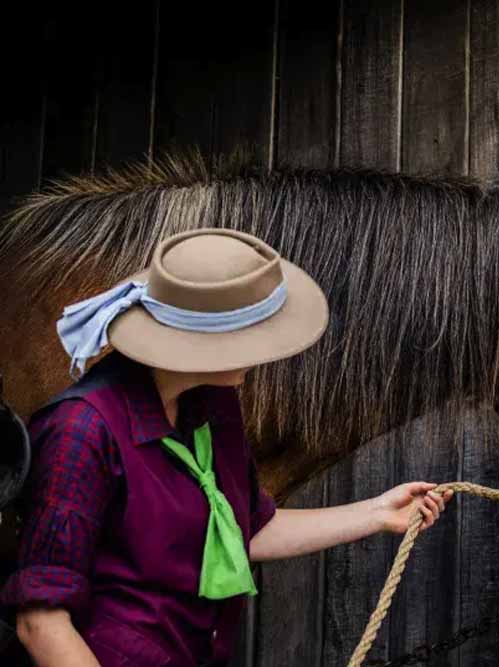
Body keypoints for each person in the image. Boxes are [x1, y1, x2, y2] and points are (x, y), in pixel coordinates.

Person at [0, 228, 453, 667]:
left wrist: (377, 513)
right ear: (203, 342)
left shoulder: (212, 405)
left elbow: (243, 530)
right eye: (254, 335)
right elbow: (42, 624)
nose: (268, 352)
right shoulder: (80, 431)